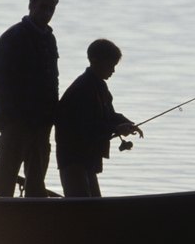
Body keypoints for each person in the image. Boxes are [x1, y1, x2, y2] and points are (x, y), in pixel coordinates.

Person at [0, 0, 59, 197]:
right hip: (16, 126)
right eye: (43, 7)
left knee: (36, 186)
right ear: (31, 5)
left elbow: (52, 80)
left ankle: (32, 225)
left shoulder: (49, 39)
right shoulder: (13, 37)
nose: (47, 12)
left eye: (51, 9)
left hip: (42, 127)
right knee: (4, 182)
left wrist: (50, 114)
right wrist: (20, 115)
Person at [55, 39, 142, 197]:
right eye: (111, 65)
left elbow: (108, 115)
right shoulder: (82, 88)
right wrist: (116, 128)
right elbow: (86, 126)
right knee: (82, 208)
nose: (113, 71)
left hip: (88, 159)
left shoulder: (99, 85)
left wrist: (126, 123)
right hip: (74, 159)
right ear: (95, 61)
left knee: (93, 205)